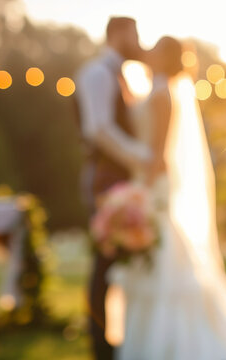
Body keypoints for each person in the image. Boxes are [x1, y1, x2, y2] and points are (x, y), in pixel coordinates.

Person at [107, 36, 226, 359]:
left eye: (156, 49)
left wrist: (138, 196)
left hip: (154, 187)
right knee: (154, 266)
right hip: (147, 184)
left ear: (166, 57)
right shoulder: (155, 90)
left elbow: (159, 156)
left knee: (165, 266)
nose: (148, 52)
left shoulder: (164, 95)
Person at [74, 17, 151, 360]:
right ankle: (100, 346)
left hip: (123, 178)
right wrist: (141, 158)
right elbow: (99, 129)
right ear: (117, 34)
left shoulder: (123, 76)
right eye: (133, 34)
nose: (137, 41)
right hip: (106, 179)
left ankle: (121, 338)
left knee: (120, 259)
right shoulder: (97, 74)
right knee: (104, 261)